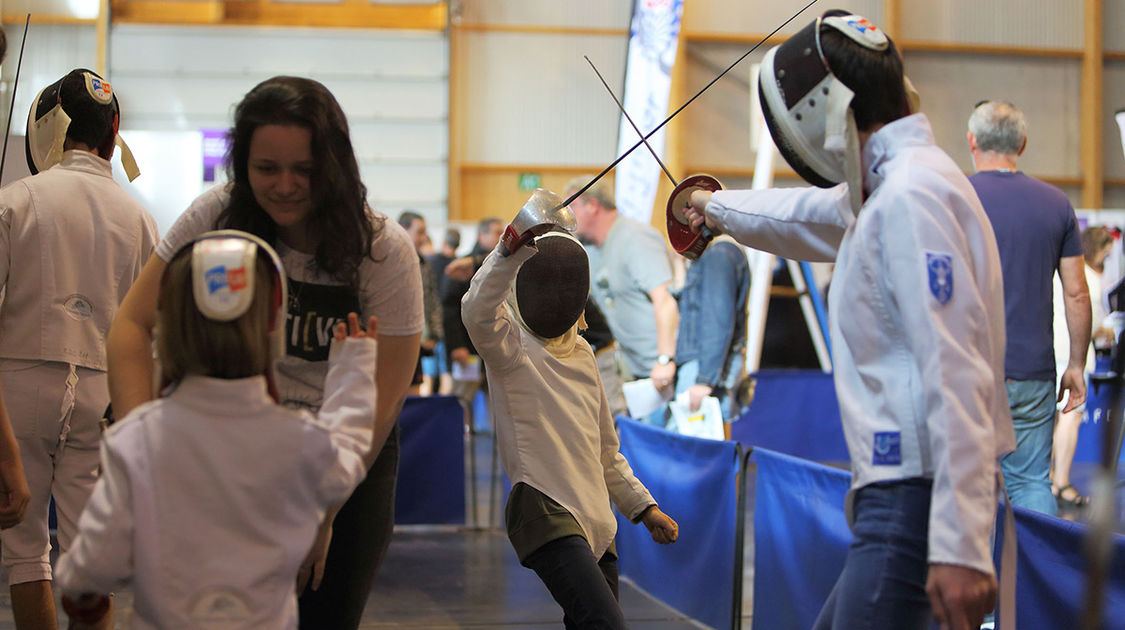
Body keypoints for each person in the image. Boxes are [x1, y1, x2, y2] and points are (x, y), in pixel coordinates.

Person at [683, 12, 1012, 630]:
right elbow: (810, 213)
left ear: (825, 115)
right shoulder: (902, 186)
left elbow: (956, 368)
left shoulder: (911, 197)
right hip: (902, 496)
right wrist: (715, 207)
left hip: (914, 496)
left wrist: (961, 545)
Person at [105, 76, 422, 630]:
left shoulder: (383, 252)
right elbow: (131, 326)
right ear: (242, 164)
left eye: (304, 170)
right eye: (266, 169)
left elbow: (385, 397)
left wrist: (322, 513)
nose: (285, 186)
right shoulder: (216, 219)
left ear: (335, 165)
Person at [56, 232, 377, 629]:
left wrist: (79, 588)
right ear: (272, 329)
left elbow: (98, 562)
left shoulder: (137, 438)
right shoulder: (297, 439)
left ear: (169, 328)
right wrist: (352, 370)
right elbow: (348, 452)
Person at [461, 191, 678, 629]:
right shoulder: (510, 349)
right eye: (547, 281)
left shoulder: (582, 353)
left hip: (598, 518)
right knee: (605, 623)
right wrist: (509, 248)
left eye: (568, 282)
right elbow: (477, 311)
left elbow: (605, 449)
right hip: (544, 505)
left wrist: (644, 508)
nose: (557, 292)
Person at [0, 68, 157, 630]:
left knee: (24, 555)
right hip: (103, 395)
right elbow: (150, 335)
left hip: (17, 390)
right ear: (113, 133)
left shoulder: (16, 200)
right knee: (89, 560)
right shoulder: (141, 218)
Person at [968, 100, 1091, 517]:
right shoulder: (1056, 204)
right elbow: (1077, 293)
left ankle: (970, 580)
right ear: (1022, 144)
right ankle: (1036, 582)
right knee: (1031, 483)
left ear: (971, 142)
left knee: (969, 488)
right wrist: (1075, 363)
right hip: (1031, 371)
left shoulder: (953, 198)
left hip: (965, 369)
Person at [565, 178, 679, 404]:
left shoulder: (635, 238)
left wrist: (665, 360)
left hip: (663, 372)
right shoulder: (591, 250)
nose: (569, 216)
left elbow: (665, 300)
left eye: (572, 207)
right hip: (633, 372)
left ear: (592, 206)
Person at [1050, 225, 1115, 512]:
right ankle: (1061, 482)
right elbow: (1090, 324)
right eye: (1106, 254)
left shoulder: (1056, 273)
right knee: (1070, 418)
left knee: (1054, 420)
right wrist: (1108, 332)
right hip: (1072, 356)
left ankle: (1052, 477)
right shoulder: (1088, 277)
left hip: (1051, 353)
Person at [674, 235, 750, 424]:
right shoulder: (715, 252)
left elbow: (717, 319)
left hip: (701, 368)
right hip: (701, 366)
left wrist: (704, 380)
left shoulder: (720, 253)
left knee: (694, 446)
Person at [441, 217, 502, 409]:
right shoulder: (463, 268)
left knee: (501, 408)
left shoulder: (505, 267)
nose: (502, 237)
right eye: (497, 232)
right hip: (468, 351)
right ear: (481, 236)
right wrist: (456, 345)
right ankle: (462, 441)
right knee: (461, 406)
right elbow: (450, 310)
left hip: (498, 351)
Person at [398, 211, 443, 395]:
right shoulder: (391, 260)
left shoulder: (424, 262)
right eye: (419, 232)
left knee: (415, 392)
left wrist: (433, 333)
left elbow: (431, 300)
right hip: (397, 337)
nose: (424, 238)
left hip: (418, 339)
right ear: (403, 230)